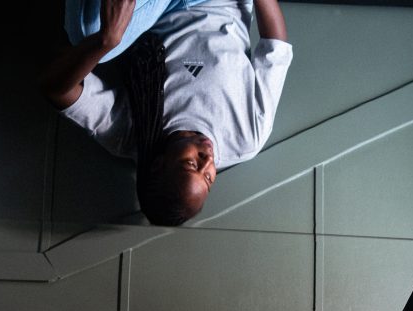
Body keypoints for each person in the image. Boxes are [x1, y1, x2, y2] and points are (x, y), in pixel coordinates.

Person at [39, 0, 292, 224]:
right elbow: (275, 45)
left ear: (159, 164)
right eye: (209, 178)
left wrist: (106, 41)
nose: (208, 160)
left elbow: (56, 90)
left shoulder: (128, 134)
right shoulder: (246, 138)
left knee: (87, 32)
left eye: (192, 164)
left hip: (157, 10)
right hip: (220, 3)